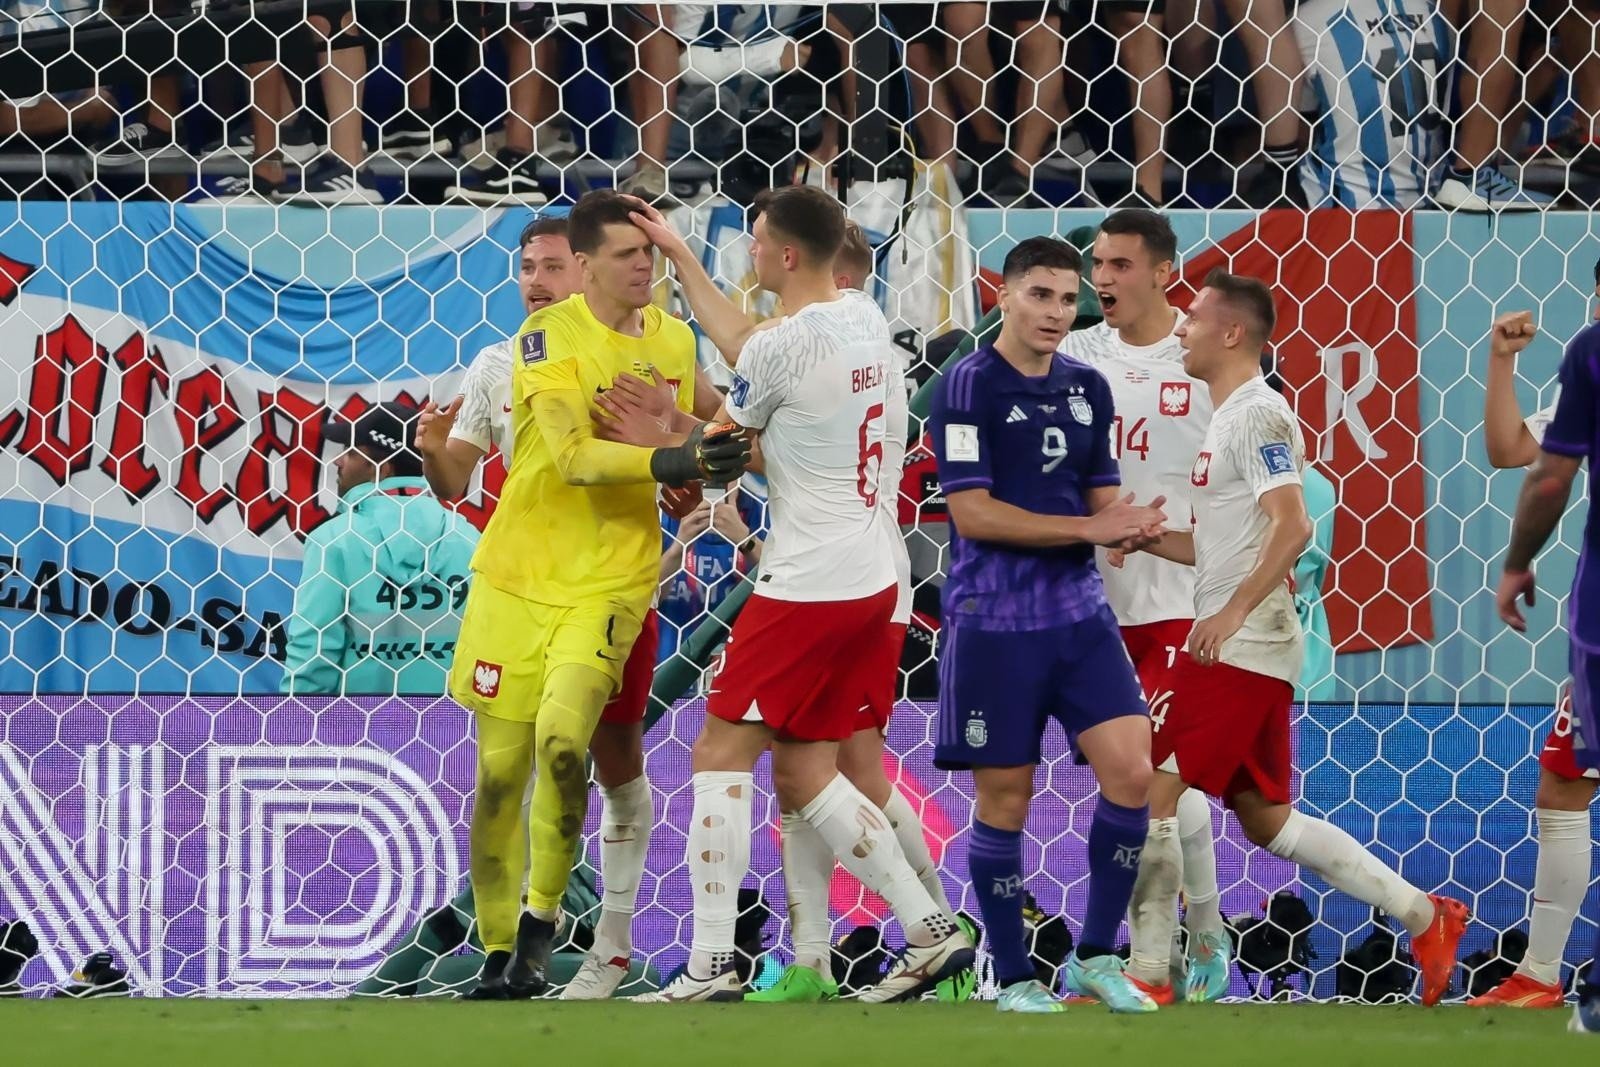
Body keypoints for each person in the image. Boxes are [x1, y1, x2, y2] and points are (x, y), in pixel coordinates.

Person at [616, 185, 972, 1004]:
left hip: (808, 576)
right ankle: (930, 931)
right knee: (811, 770)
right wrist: (678, 252)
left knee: (719, 754)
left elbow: (722, 450)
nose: (745, 252)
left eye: (754, 239)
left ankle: (709, 961)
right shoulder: (862, 319)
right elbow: (749, 345)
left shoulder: (785, 347)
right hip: (877, 578)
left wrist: (666, 429)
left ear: (782, 254)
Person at [1124, 270, 1468, 1007]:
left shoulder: (1259, 416)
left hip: (1244, 640)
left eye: (1193, 319)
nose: (1179, 330)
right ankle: (1425, 914)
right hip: (1242, 633)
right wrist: (1150, 540)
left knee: (1153, 786)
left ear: (1232, 333)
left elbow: (1294, 523)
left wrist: (1230, 612)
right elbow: (1228, 543)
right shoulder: (1226, 420)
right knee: (1265, 818)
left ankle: (1150, 972)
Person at [445, 189, 751, 1000]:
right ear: (585, 267)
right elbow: (577, 459)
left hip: (612, 580)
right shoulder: (544, 337)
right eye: (626, 253)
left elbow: (706, 428)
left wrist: (700, 452)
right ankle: (498, 948)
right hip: (516, 577)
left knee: (562, 742)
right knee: (500, 777)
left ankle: (544, 926)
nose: (644, 265)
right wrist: (678, 465)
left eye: (650, 252)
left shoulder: (677, 340)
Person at [929, 236, 1170, 1015]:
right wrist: (1087, 533)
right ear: (1004, 294)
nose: (1058, 313)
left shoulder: (1086, 387)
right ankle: (1016, 975)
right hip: (994, 620)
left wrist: (1127, 524)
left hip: (1078, 616)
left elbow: (1098, 498)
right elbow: (973, 513)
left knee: (1133, 771)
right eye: (1042, 295)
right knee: (1006, 797)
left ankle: (1098, 956)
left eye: (1070, 299)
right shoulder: (965, 386)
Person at [1065, 208, 1230, 1001]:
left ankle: (1148, 968)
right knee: (1153, 782)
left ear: (1163, 271)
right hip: (1091, 605)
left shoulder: (1203, 359)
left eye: (1120, 265)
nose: (1103, 279)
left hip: (1179, 599)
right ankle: (1209, 931)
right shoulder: (1073, 353)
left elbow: (1240, 487)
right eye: (1098, 263)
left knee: (1154, 782)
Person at [1475, 306, 1597, 1008]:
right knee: (1564, 778)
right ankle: (1539, 974)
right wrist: (1502, 361)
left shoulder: (1594, 353)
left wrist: (1517, 562)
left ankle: (1542, 974)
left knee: (1565, 782)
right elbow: (1511, 448)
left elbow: (1548, 478)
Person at [281, 402, 478, 696]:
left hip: (354, 733)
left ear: (381, 467)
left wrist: (292, 729)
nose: (338, 462)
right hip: (450, 731)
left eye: (349, 451)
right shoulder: (468, 538)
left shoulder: (335, 540)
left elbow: (313, 654)